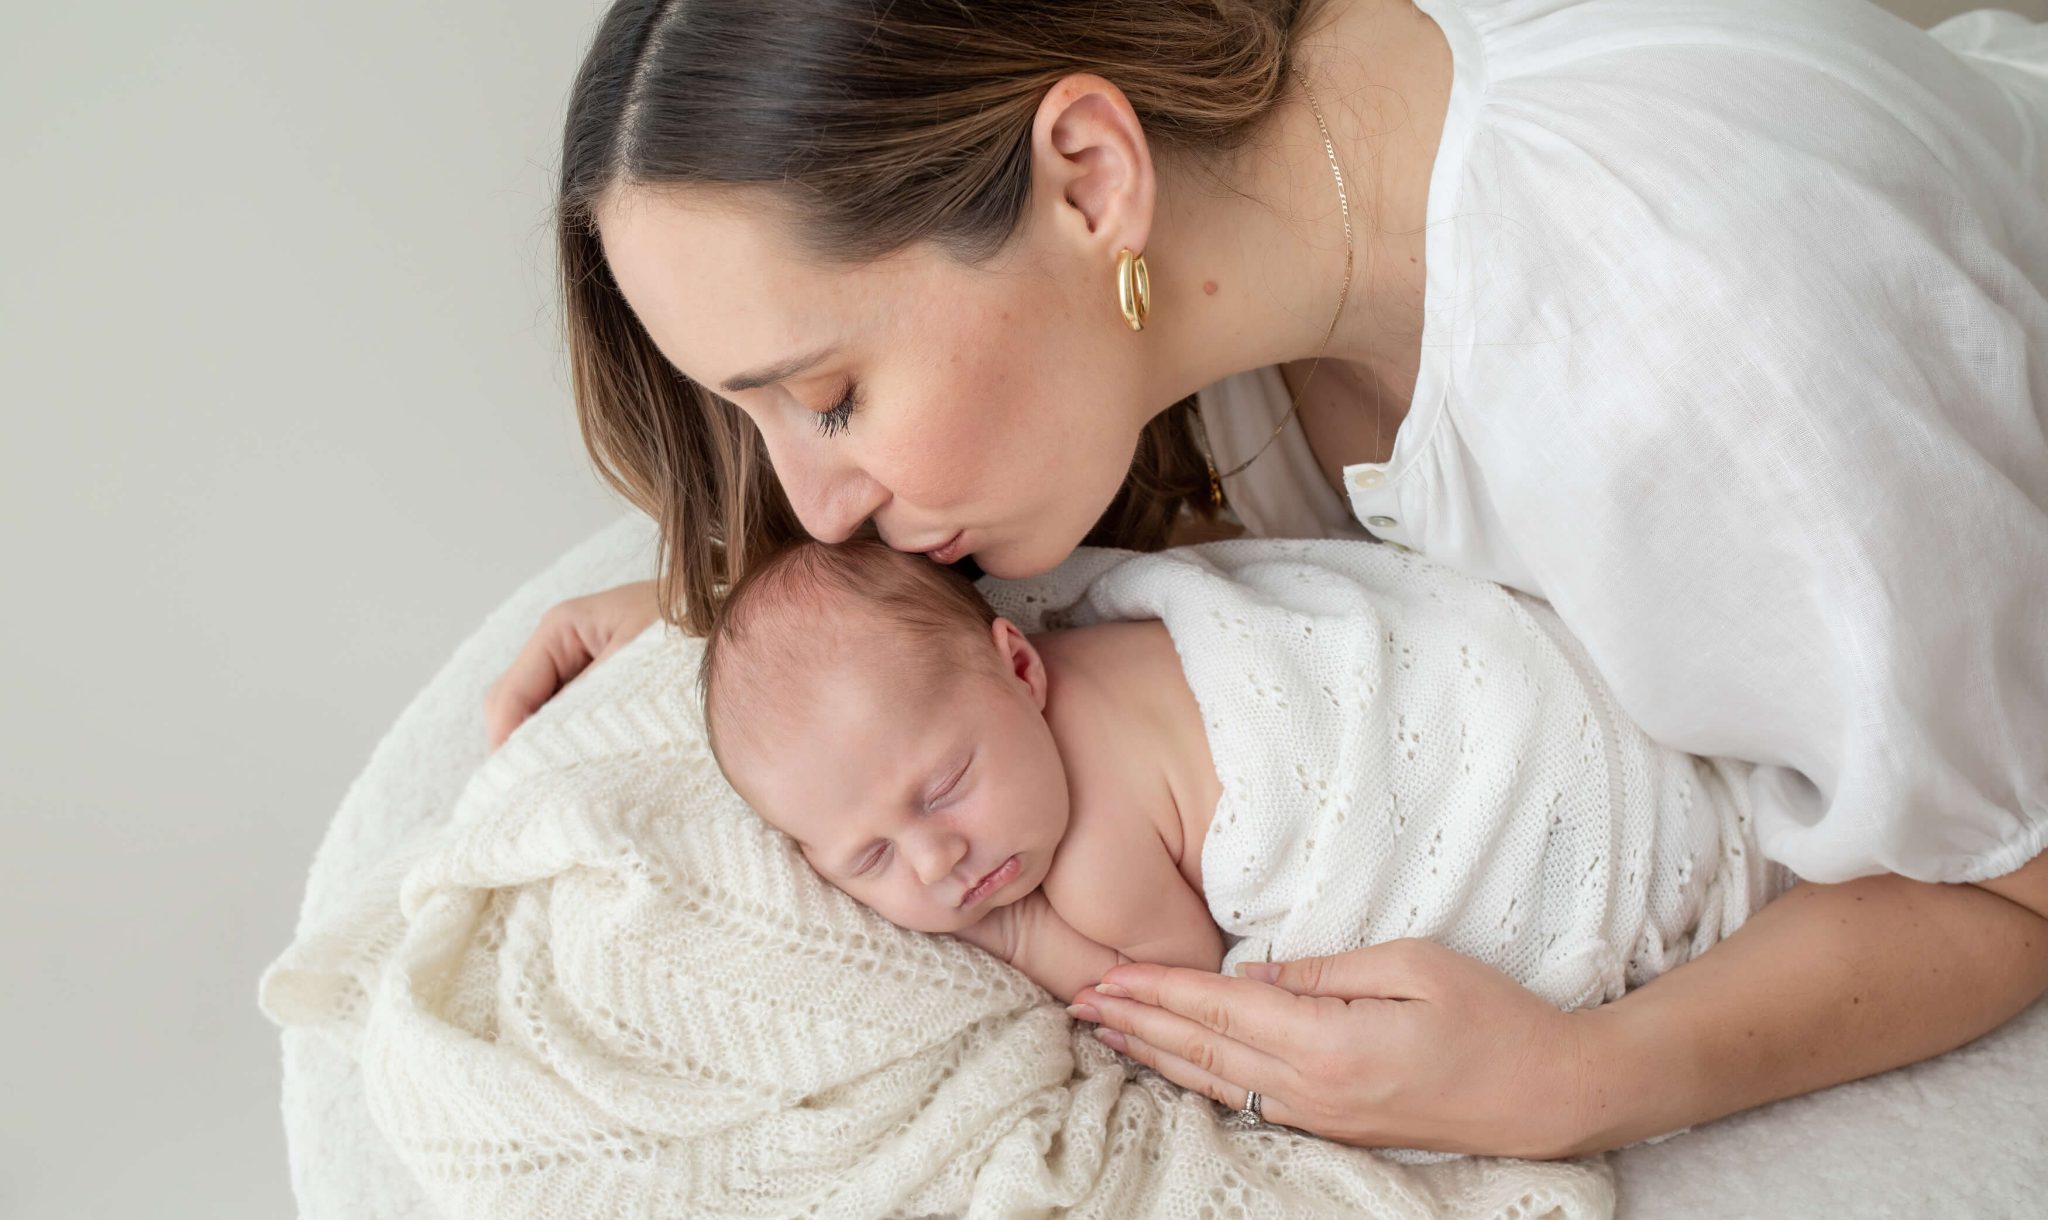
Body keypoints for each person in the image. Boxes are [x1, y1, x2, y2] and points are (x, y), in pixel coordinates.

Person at [483, 0, 2048, 1160]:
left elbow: (2019, 877)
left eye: (828, 399)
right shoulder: (1221, 238)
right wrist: (778, 644)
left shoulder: (1699, 358)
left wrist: (1582, 1081)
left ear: (1091, 177)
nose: (815, 505)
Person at [699, 533, 1783, 1042]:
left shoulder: (1089, 866)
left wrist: (1026, 943)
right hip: (1542, 676)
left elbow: (1184, 1001)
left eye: (943, 789)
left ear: (1020, 666)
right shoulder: (1073, 609)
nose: (942, 863)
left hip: (1528, 785)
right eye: (869, 859)